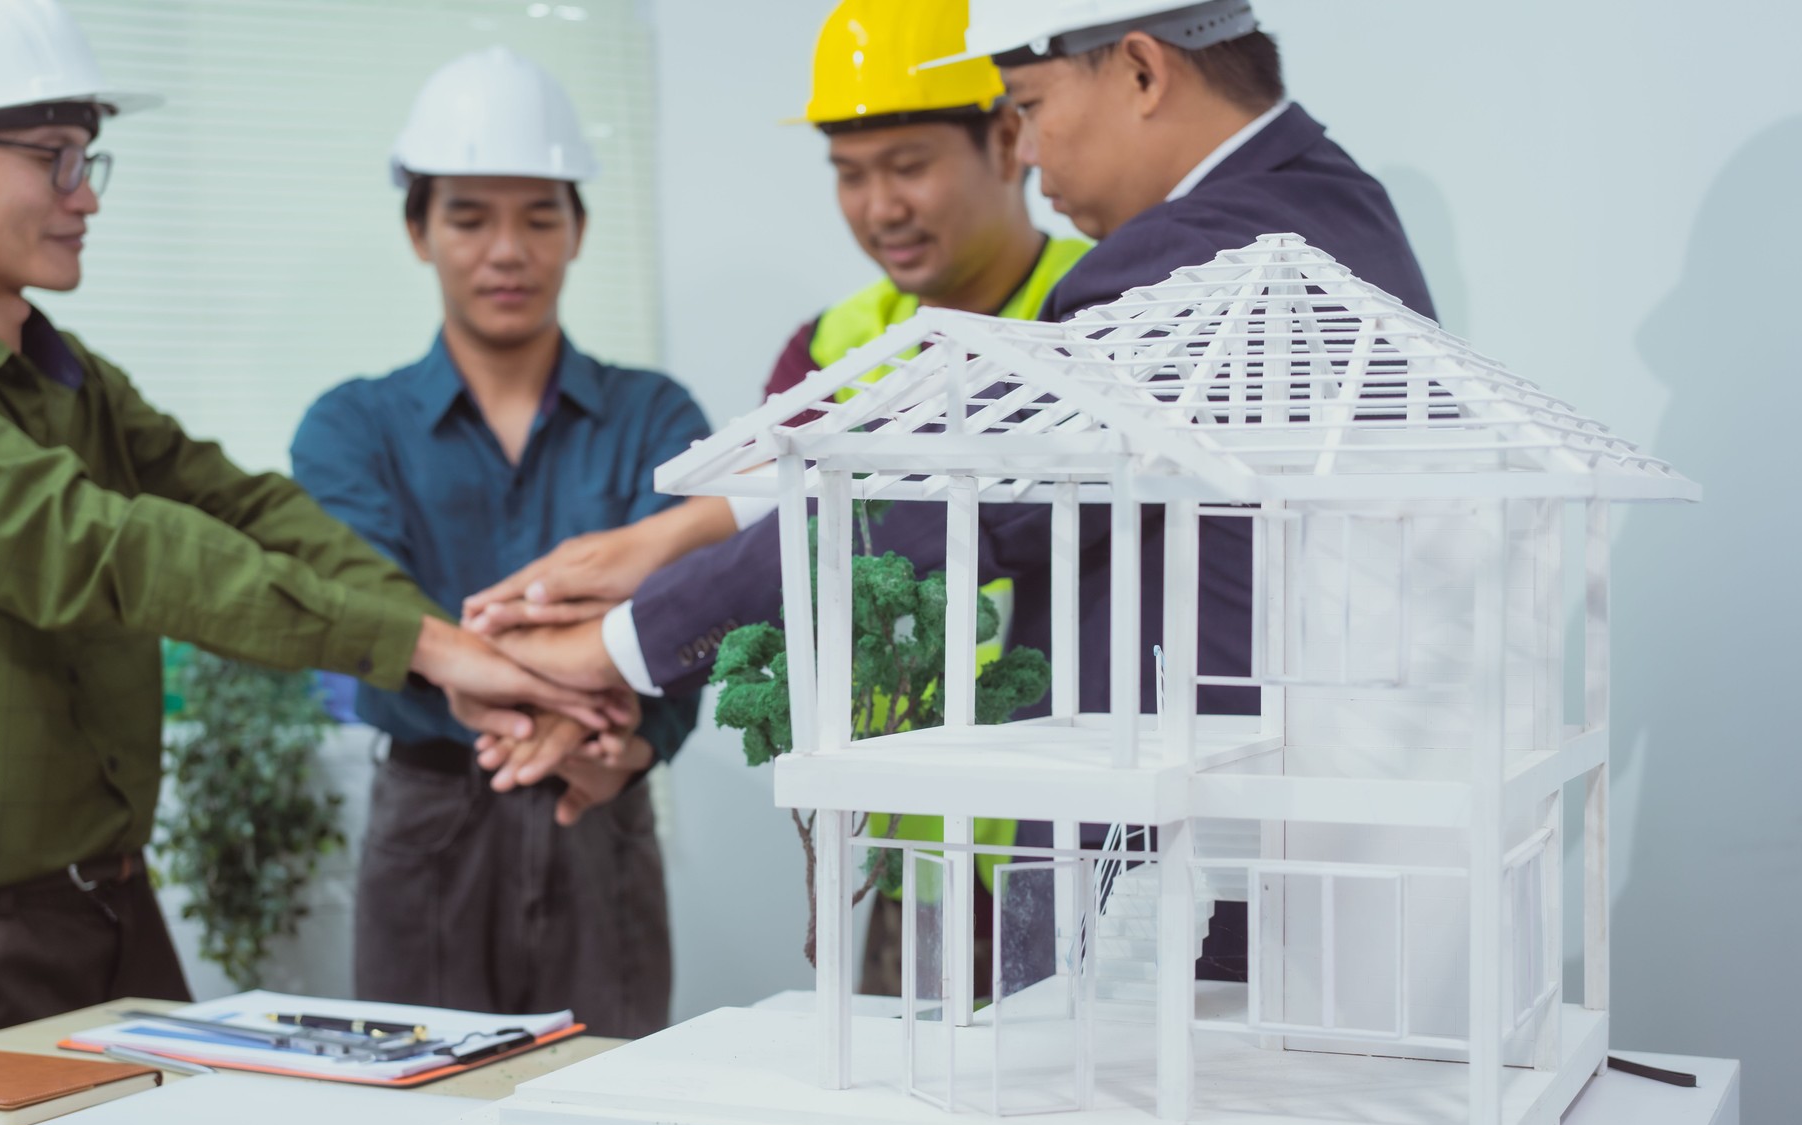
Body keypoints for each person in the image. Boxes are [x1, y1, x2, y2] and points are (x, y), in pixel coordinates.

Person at [467, 0, 1436, 981]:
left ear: (1142, 72)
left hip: (1192, 849)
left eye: (1028, 104)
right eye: (850, 172)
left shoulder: (1185, 258)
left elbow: (963, 493)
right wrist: (669, 545)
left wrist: (618, 645)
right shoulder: (1323, 200)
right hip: (1064, 843)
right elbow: (874, 467)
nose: (1027, 146)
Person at [0, 0, 582, 1043]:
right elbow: (105, 546)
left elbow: (242, 508)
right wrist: (422, 645)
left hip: (108, 906)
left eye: (90, 159)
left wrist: (444, 647)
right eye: (54, 159)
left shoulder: (70, 376)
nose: (86, 197)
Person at [462, 0, 1091, 996]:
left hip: (1075, 839)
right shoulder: (833, 346)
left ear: (1008, 136)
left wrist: (608, 644)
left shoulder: (1093, 308)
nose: (881, 204)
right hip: (904, 843)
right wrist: (623, 597)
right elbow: (763, 555)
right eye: (849, 172)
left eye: (909, 163)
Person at [289, 49, 706, 1039]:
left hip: (602, 802)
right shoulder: (350, 428)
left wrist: (636, 745)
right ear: (417, 230)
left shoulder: (658, 417)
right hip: (427, 819)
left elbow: (699, 620)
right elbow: (366, 615)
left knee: (611, 1120)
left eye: (537, 216)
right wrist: (588, 659)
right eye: (470, 217)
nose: (506, 250)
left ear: (579, 230)